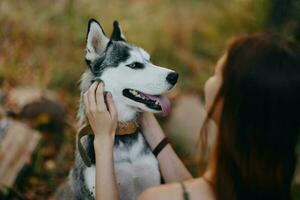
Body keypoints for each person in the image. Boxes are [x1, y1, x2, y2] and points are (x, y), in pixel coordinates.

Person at [83, 33, 300, 200]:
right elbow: (191, 189)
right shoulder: (269, 185)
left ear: (230, 101)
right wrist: (148, 122)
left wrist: (103, 139)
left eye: (217, 73)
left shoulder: (157, 197)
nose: (210, 78)